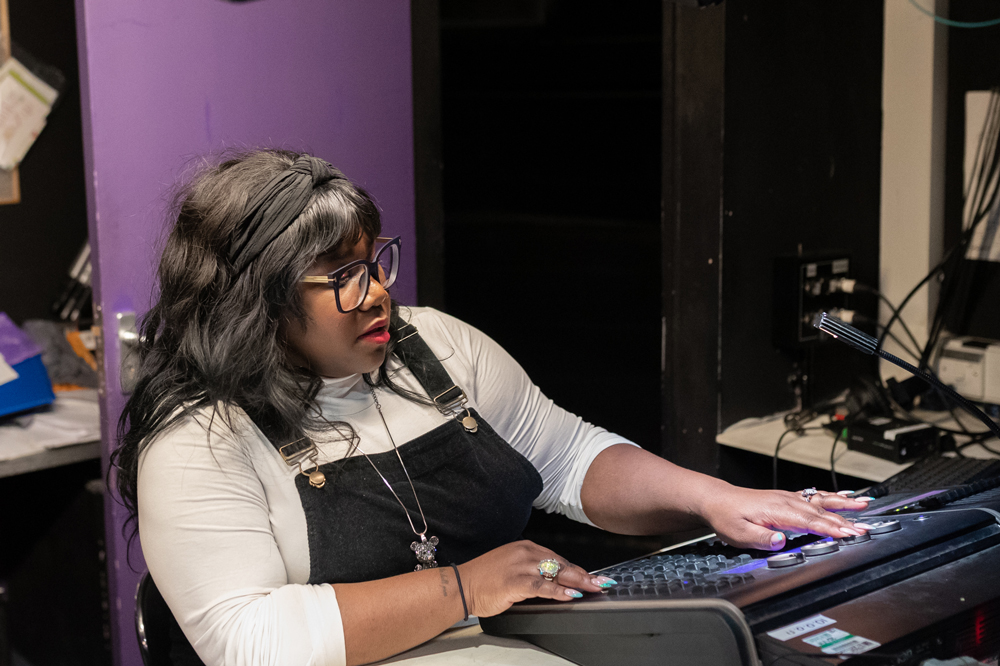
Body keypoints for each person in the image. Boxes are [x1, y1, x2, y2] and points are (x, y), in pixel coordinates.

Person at [115, 149, 872, 666]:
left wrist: (714, 498)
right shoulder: (199, 438)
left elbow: (567, 456)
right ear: (257, 304)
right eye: (341, 275)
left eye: (376, 260)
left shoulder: (433, 345)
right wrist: (463, 588)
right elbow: (249, 640)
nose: (377, 290)